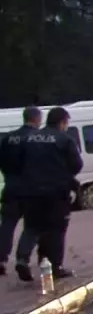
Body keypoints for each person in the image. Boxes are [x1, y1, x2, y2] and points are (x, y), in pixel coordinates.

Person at [12, 106, 82, 281]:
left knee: (32, 227)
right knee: (56, 229)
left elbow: (17, 163)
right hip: (56, 192)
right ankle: (54, 266)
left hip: (30, 192)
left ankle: (22, 258)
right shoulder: (64, 140)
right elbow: (77, 165)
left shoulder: (29, 138)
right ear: (62, 122)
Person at [0, 106, 42, 276]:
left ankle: (0, 260)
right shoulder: (36, 138)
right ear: (37, 119)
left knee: (7, 226)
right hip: (31, 190)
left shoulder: (8, 138)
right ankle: (22, 259)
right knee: (32, 226)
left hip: (11, 188)